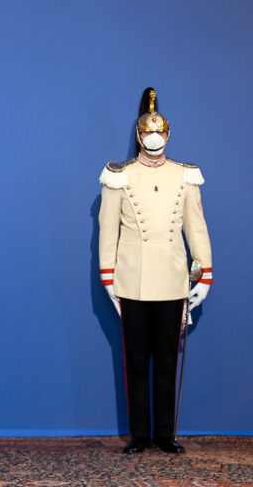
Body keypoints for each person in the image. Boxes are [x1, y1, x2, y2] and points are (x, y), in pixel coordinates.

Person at [98, 88, 212, 454]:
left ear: (168, 135)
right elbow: (107, 230)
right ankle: (140, 435)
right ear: (138, 135)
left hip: (174, 279)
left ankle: (165, 434)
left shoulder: (185, 175)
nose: (153, 137)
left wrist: (204, 274)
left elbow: (197, 228)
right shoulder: (119, 175)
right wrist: (108, 278)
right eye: (147, 131)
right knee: (135, 361)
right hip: (132, 281)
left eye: (159, 132)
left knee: (167, 359)